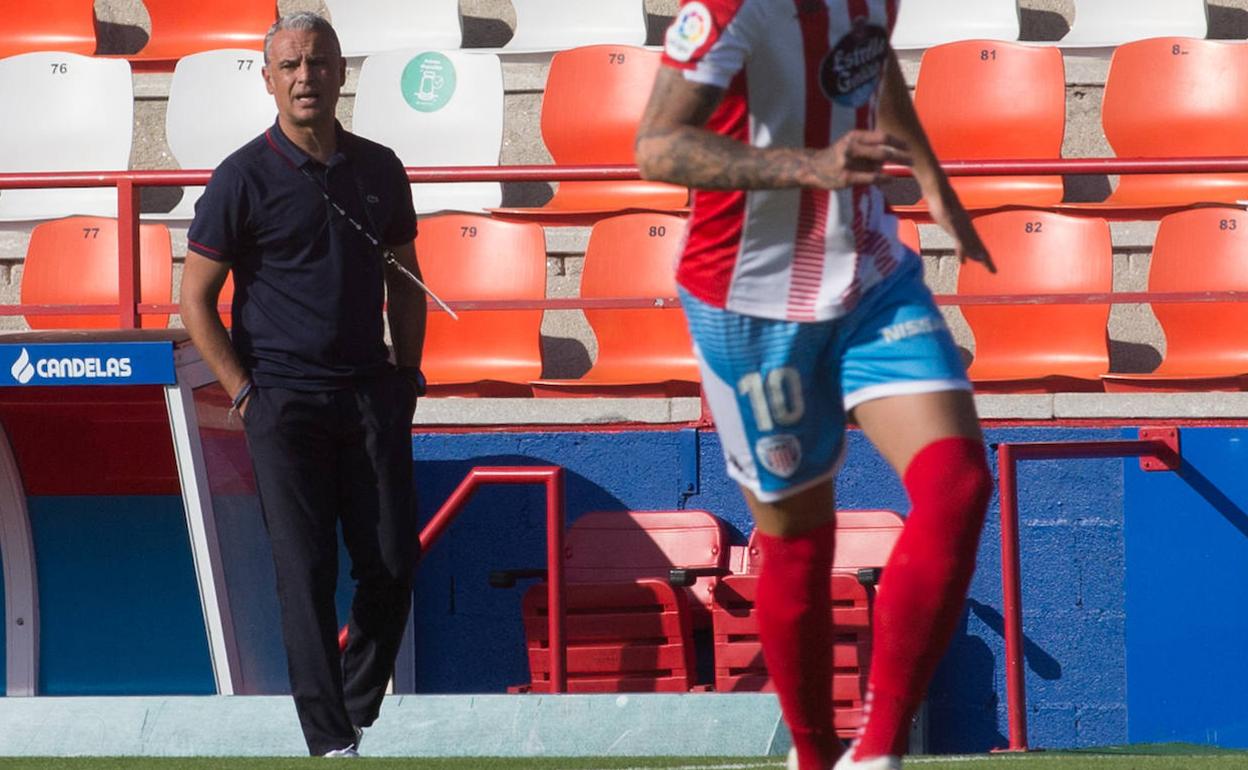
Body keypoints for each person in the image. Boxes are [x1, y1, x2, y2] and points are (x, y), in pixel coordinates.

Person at [635, 2, 995, 769]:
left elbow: (867, 57)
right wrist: (811, 166)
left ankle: (879, 752)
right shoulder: (730, 11)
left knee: (959, 484)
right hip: (749, 302)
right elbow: (656, 147)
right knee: (799, 540)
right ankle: (813, 752)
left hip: (870, 274)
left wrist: (931, 174)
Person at [179, 12, 426, 758]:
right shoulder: (241, 176)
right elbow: (195, 300)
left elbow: (407, 279)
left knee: (393, 560)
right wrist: (245, 391)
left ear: (341, 71)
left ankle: (352, 707)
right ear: (268, 80)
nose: (304, 78)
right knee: (305, 574)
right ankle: (329, 742)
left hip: (370, 394)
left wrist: (407, 374)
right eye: (288, 66)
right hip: (282, 403)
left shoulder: (380, 167)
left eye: (317, 64)